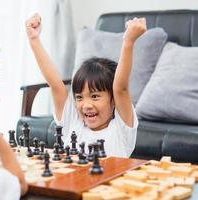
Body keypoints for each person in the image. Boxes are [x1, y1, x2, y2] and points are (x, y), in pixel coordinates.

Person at [26, 14, 147, 157]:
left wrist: (129, 41)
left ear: (114, 100)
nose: (86, 105)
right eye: (79, 97)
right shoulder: (72, 124)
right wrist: (34, 39)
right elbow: (55, 84)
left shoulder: (122, 130)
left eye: (95, 96)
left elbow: (120, 88)